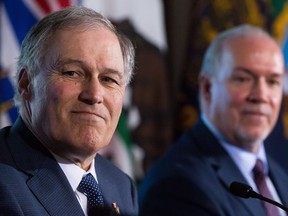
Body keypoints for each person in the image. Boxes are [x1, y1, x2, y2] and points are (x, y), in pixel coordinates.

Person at [0, 6, 138, 216]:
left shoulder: (121, 185)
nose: (94, 95)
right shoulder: (5, 184)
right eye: (73, 73)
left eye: (109, 79)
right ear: (26, 84)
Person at [138, 24, 288, 216]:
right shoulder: (178, 185)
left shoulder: (279, 176)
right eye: (243, 79)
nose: (261, 95)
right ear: (207, 87)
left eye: (273, 81)